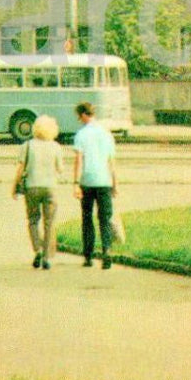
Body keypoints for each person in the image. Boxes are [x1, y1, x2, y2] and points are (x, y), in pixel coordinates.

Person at [14, 114, 67, 269]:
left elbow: (20, 169)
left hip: (32, 187)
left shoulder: (27, 145)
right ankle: (47, 257)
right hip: (50, 188)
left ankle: (37, 250)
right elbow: (60, 169)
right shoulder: (56, 147)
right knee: (49, 223)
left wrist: (14, 187)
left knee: (32, 220)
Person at [72, 102, 119, 269]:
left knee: (87, 218)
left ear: (84, 115)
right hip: (105, 180)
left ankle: (88, 255)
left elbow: (78, 160)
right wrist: (115, 182)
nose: (79, 119)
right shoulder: (107, 134)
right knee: (104, 219)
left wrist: (76, 183)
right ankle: (106, 250)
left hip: (87, 181)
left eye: (79, 116)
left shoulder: (81, 134)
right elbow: (111, 161)